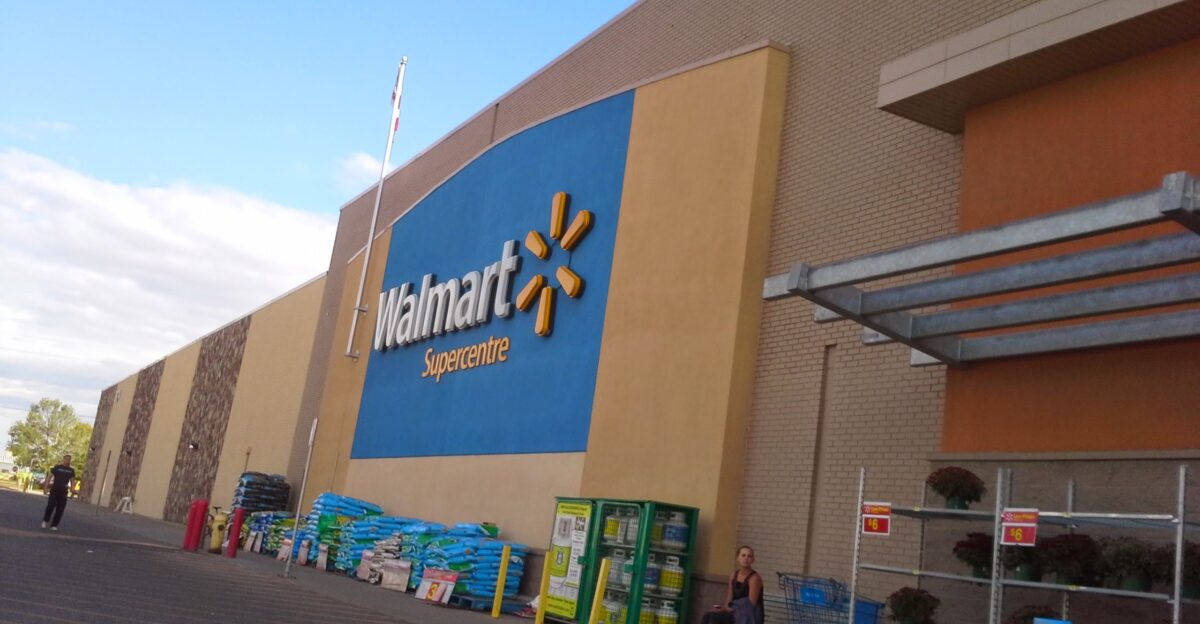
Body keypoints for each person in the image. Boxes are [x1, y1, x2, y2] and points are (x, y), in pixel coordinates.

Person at [700, 545, 764, 624]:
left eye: (749, 556)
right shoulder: (734, 575)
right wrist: (724, 608)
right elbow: (729, 598)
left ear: (753, 560)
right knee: (708, 616)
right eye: (743, 555)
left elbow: (751, 603)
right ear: (738, 558)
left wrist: (732, 608)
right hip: (734, 611)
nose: (746, 558)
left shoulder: (754, 578)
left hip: (749, 615)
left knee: (714, 619)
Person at [41, 454, 76, 531]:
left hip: (63, 492)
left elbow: (73, 481)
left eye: (69, 459)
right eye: (66, 459)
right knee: (50, 506)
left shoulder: (71, 470)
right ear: (63, 459)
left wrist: (72, 490)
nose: (67, 461)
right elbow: (49, 477)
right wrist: (45, 488)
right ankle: (45, 521)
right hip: (54, 490)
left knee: (60, 509)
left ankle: (54, 525)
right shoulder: (57, 468)